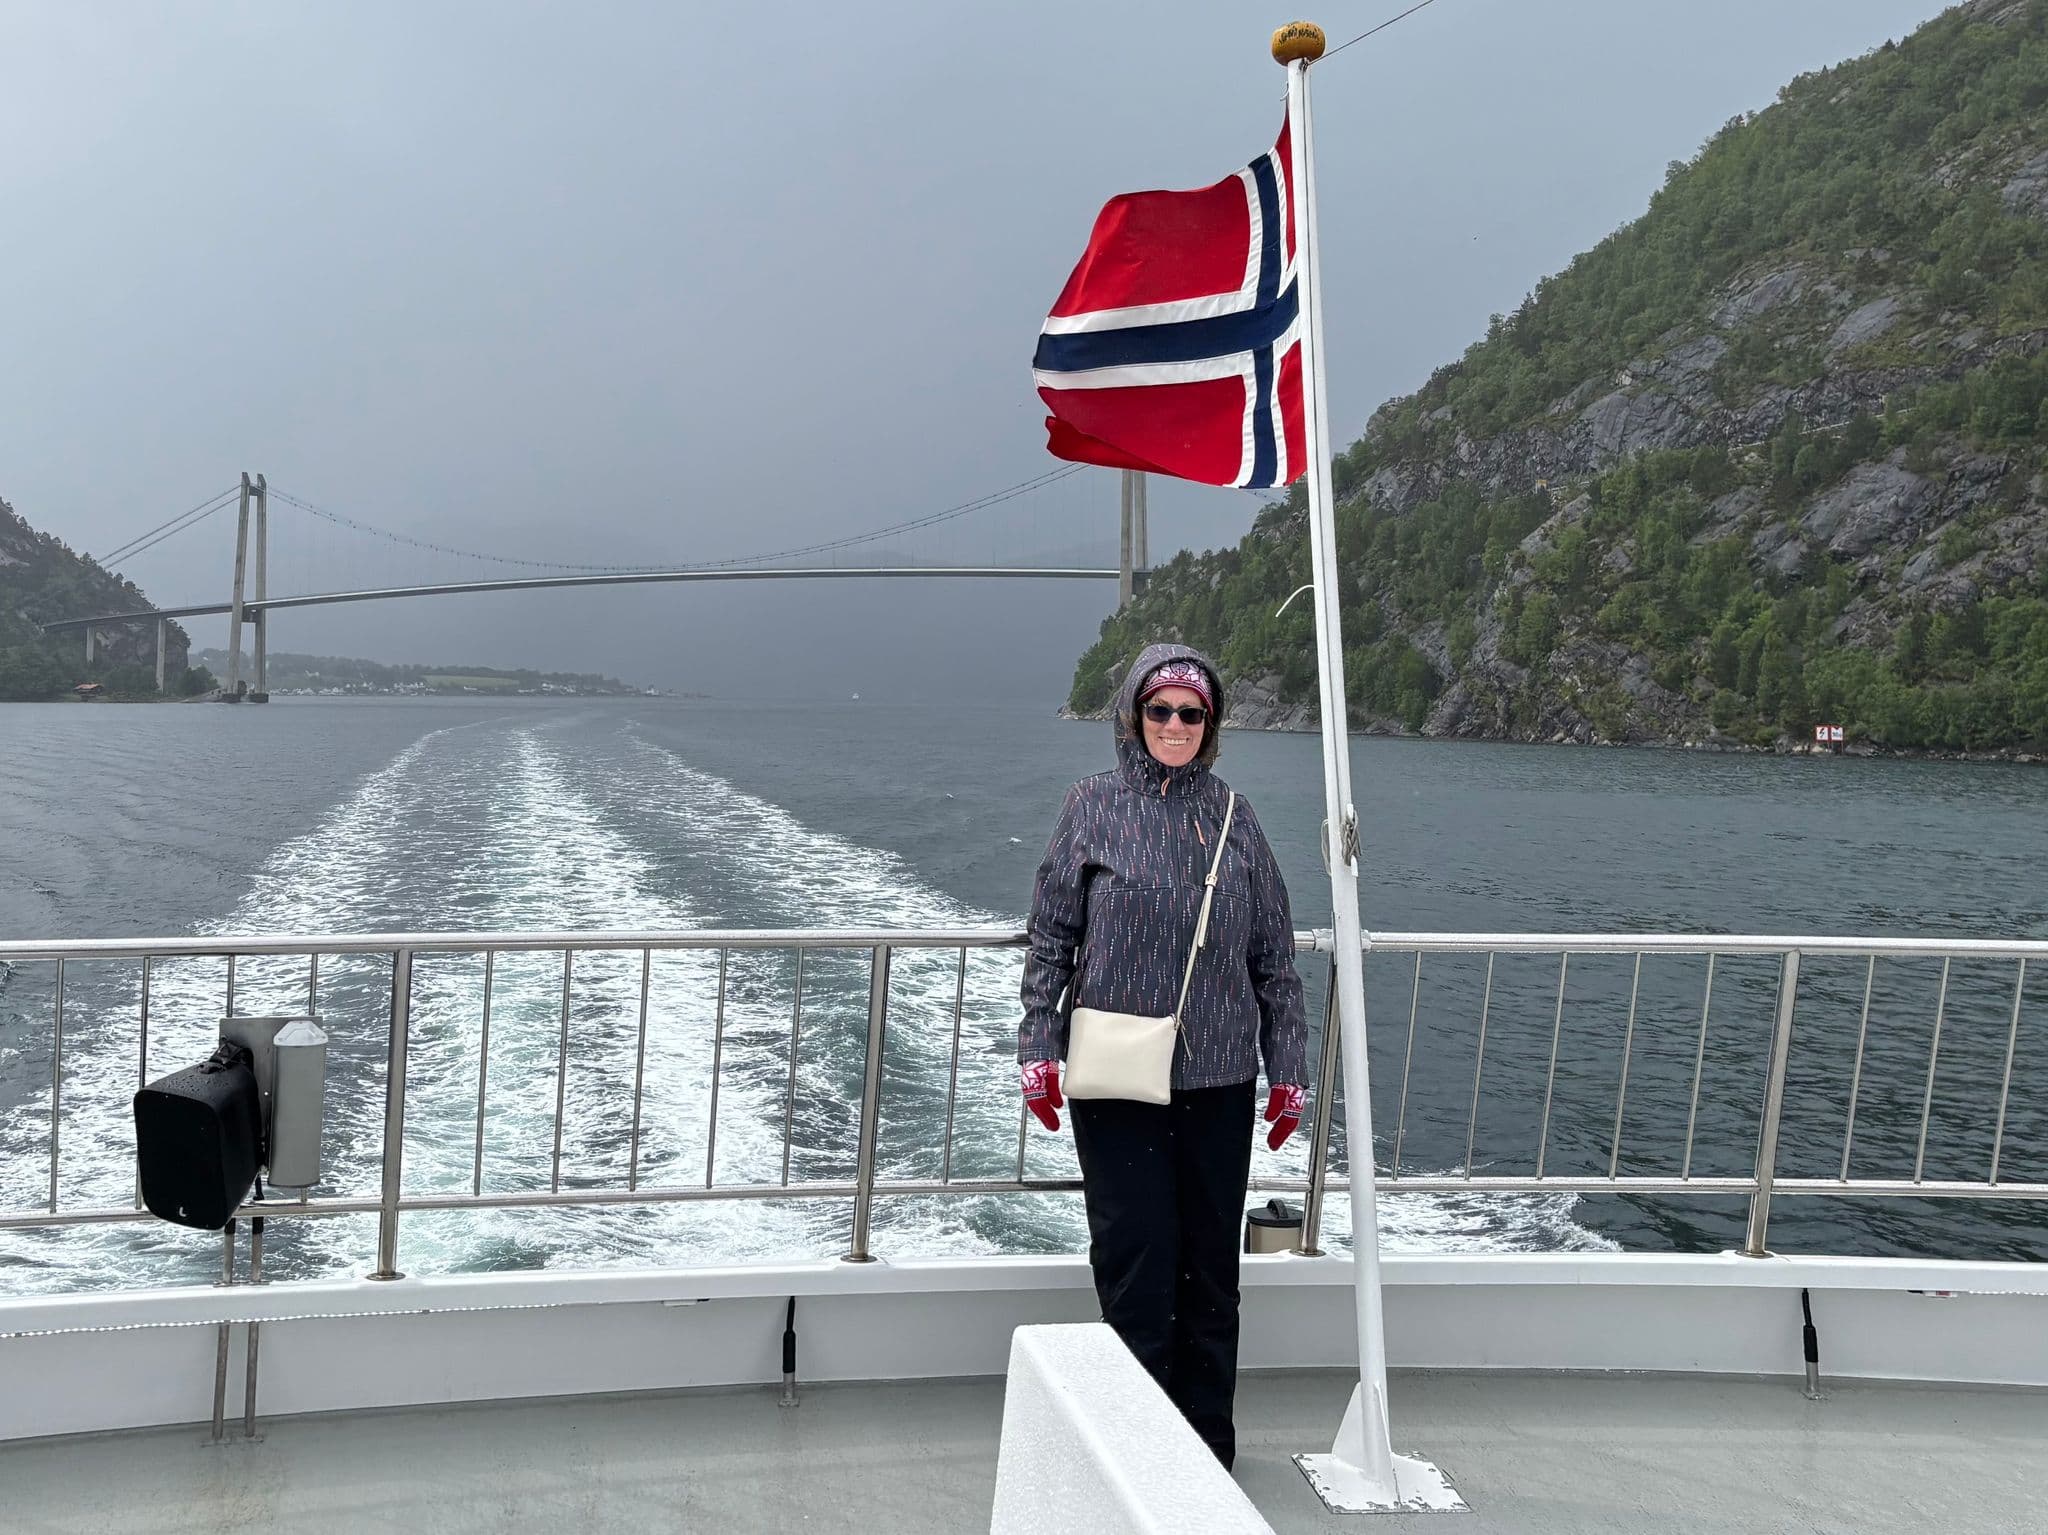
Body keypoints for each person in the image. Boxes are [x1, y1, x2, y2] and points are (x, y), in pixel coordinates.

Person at [1019, 641, 1307, 1470]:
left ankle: (1205, 1458)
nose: (1175, 723)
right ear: (1133, 716)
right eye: (1160, 709)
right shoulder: (1091, 806)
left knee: (1212, 1276)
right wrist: (1039, 1046)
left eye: (1192, 712)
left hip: (1218, 1078)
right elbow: (1051, 940)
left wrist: (1288, 1068)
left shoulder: (1233, 817)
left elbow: (1273, 955)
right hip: (1116, 1078)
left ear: (1210, 724)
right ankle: (1137, 1459)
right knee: (1136, 1266)